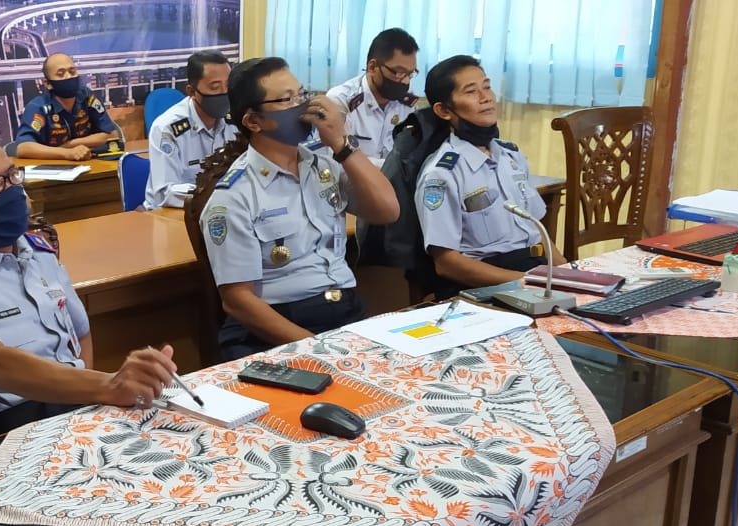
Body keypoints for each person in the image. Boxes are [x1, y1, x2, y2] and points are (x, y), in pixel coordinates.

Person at [0, 129, 178, 444]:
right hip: (4, 431)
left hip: (74, 407)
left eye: (12, 175)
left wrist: (82, 399)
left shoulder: (37, 250)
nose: (13, 191)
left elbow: (80, 333)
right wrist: (107, 386)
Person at [198, 57, 399, 361]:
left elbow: (388, 210)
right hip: (279, 327)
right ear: (253, 121)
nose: (304, 107)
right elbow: (237, 300)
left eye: (302, 94)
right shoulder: (234, 197)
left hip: (344, 312)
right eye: (287, 99)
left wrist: (342, 144)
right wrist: (316, 349)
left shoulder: (325, 163)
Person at [414, 55, 566, 298]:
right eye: (471, 91)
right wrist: (526, 282)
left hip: (534, 273)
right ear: (443, 110)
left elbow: (538, 234)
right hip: (486, 287)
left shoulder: (511, 157)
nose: (485, 97)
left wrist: (568, 274)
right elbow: (446, 264)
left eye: (487, 87)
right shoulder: (442, 174)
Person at [144, 50, 237, 210]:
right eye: (215, 87)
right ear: (192, 92)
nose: (224, 93)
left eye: (228, 86)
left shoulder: (235, 121)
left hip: (221, 210)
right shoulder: (167, 129)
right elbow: (165, 192)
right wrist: (215, 194)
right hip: (171, 213)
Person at [326, 28, 420, 163]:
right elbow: (333, 161)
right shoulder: (341, 101)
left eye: (410, 74)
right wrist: (392, 169)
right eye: (399, 73)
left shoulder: (405, 101)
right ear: (372, 67)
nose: (405, 81)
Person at [12, 52, 120, 161]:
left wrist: (71, 144)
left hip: (88, 164)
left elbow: (112, 135)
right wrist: (67, 153)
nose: (68, 76)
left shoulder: (87, 97)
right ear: (48, 84)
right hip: (52, 166)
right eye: (61, 74)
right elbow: (23, 148)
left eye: (72, 72)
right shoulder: (38, 107)